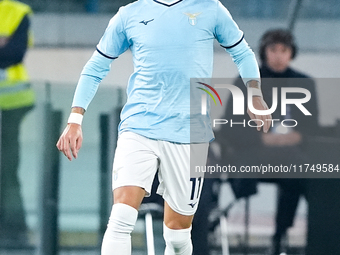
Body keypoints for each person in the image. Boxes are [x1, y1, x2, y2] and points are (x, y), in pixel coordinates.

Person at [56, 0, 271, 254]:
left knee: (178, 234)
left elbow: (243, 52)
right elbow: (95, 66)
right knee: (121, 217)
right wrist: (75, 119)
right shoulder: (129, 14)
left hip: (190, 135)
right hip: (139, 127)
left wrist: (255, 93)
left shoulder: (211, 8)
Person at [217, 29, 319, 255]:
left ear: (292, 53)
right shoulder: (246, 82)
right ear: (264, 52)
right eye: (274, 50)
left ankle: (281, 235)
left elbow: (312, 127)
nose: (279, 56)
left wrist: (297, 137)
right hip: (254, 152)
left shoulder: (305, 83)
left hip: (291, 155)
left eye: (284, 50)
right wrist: (263, 139)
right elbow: (230, 125)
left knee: (301, 170)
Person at [0, 0, 35, 246]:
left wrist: (6, 48)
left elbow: (13, 54)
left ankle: (15, 233)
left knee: (7, 171)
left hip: (12, 104)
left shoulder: (16, 11)